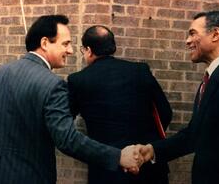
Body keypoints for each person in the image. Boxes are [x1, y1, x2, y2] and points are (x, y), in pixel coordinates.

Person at [0, 15, 142, 184]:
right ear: (45, 43)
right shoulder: (53, 84)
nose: (71, 51)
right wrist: (118, 156)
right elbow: (67, 139)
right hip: (27, 177)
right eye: (66, 44)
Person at [140, 11, 219, 184]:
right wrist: (152, 150)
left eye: (193, 33)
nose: (187, 41)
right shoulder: (209, 80)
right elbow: (194, 134)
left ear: (216, 34)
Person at [68, 25, 172, 184]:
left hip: (108, 169)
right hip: (147, 165)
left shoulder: (78, 80)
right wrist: (146, 145)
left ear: (88, 50)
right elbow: (165, 112)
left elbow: (66, 122)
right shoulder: (140, 70)